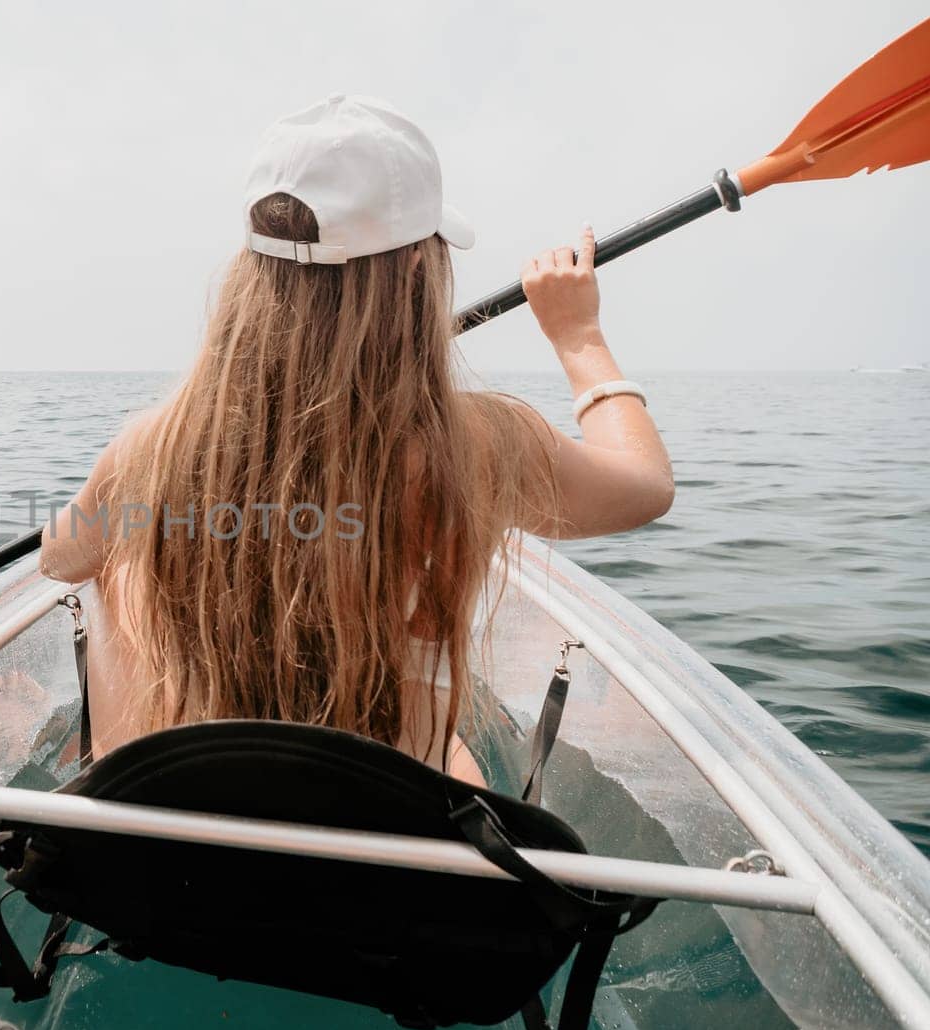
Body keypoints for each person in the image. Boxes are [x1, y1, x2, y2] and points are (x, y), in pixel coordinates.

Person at [40, 95, 673, 785]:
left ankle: (110, 760)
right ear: (413, 270)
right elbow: (645, 486)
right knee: (447, 756)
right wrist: (578, 336)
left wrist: (131, 523)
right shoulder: (479, 445)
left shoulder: (152, 448)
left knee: (115, 563)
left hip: (193, 840)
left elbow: (58, 556)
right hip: (383, 846)